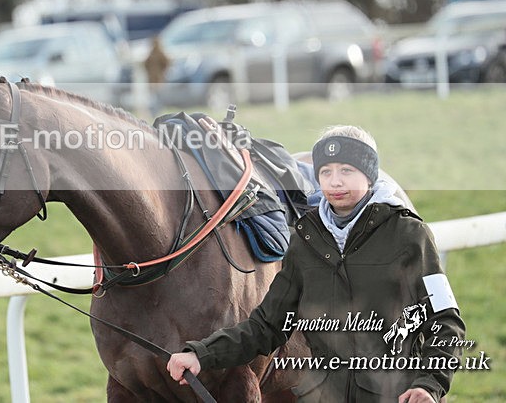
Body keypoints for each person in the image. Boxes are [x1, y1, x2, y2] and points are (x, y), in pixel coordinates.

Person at [167, 125, 465, 402]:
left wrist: (429, 384)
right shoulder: (304, 239)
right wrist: (201, 355)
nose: (335, 181)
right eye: (326, 171)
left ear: (370, 176)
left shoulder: (409, 235)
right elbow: (267, 326)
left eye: (347, 170)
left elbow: (446, 320)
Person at [143, 36, 170, 117]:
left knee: (157, 96)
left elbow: (166, 63)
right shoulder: (152, 54)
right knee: (154, 97)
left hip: (157, 79)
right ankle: (154, 112)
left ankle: (157, 111)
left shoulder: (158, 54)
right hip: (154, 79)